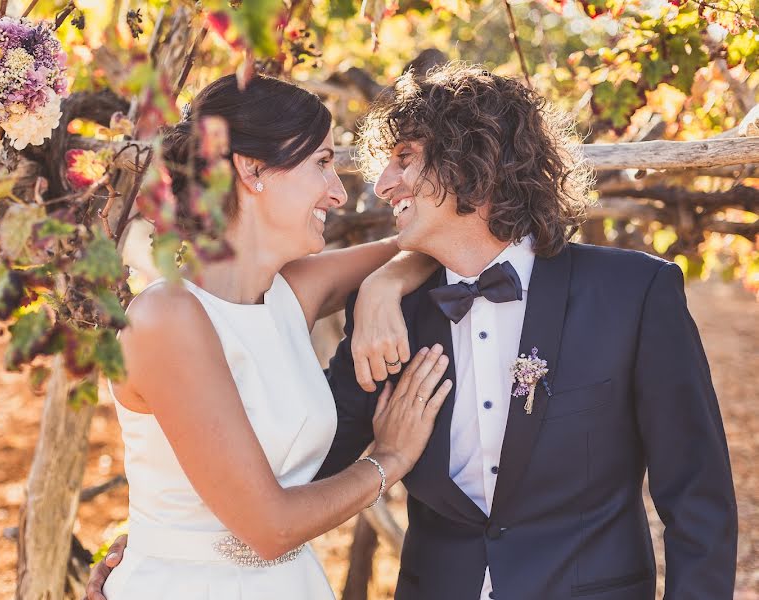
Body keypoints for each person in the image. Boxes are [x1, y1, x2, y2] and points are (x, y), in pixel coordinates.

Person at [88, 63, 738, 599]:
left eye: (403, 158)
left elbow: (697, 503)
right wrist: (157, 544)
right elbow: (299, 468)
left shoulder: (633, 294)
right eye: (329, 164)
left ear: (471, 161)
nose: (372, 187)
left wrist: (385, 279)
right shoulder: (392, 318)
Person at [94, 73, 451, 599]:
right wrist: (390, 459)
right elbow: (269, 527)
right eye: (322, 164)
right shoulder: (164, 318)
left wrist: (383, 286)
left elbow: (425, 242)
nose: (338, 191)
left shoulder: (290, 294)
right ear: (252, 169)